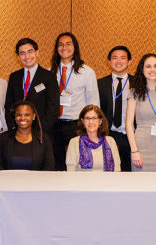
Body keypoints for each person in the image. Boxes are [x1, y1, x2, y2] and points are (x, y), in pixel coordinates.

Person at [49, 32, 100, 171]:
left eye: (68, 44)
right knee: (56, 164)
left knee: (78, 164)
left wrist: (92, 126)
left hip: (76, 125)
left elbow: (93, 104)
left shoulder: (86, 72)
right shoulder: (50, 72)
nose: (64, 47)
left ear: (75, 47)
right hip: (54, 126)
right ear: (56, 49)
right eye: (60, 44)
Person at [4, 38, 60, 143]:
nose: (27, 56)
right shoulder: (14, 77)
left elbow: (53, 108)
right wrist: (14, 128)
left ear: (37, 52)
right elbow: (9, 106)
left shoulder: (49, 77)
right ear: (18, 57)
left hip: (41, 135)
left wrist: (39, 131)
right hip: (18, 134)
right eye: (22, 53)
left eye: (30, 51)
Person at [98, 46, 134, 171]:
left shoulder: (138, 83)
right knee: (111, 171)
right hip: (110, 134)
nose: (118, 61)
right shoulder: (100, 84)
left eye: (122, 58)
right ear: (109, 61)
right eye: (115, 58)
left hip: (132, 135)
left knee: (132, 172)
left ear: (129, 61)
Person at [0, 101, 55, 171]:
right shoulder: (4, 138)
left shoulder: (43, 138)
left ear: (33, 116)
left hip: (36, 181)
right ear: (15, 116)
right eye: (19, 115)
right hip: (9, 181)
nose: (22, 118)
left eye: (27, 115)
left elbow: (49, 167)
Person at [66, 105, 120, 172]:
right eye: (87, 118)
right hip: (82, 182)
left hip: (107, 181)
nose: (91, 122)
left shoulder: (110, 141)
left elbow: (117, 170)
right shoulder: (74, 142)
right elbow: (71, 172)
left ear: (100, 121)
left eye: (94, 118)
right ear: (82, 121)